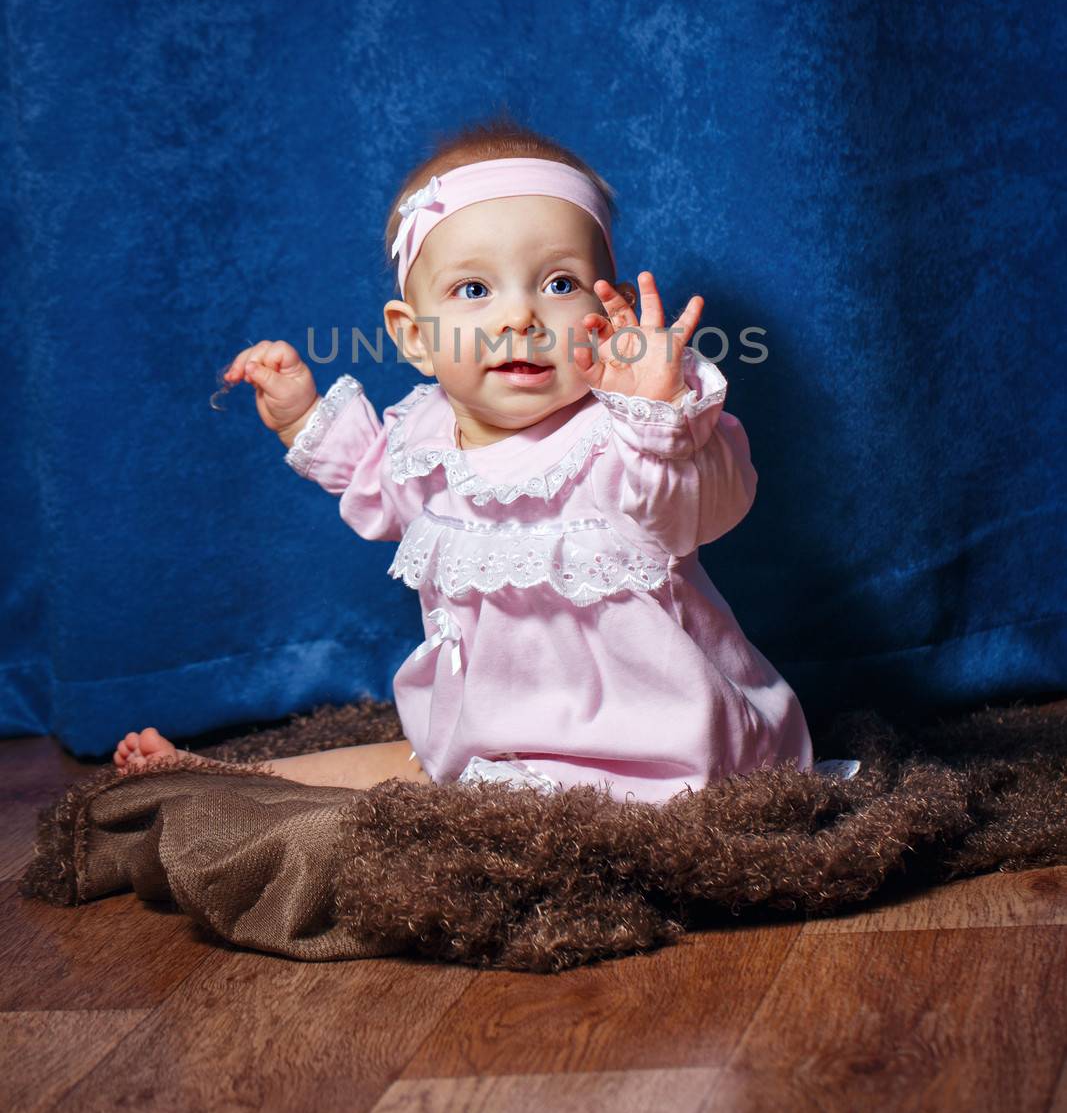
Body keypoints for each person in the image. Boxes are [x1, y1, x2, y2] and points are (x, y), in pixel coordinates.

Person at [114, 119, 821, 803]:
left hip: (655, 741)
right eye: (474, 290)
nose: (520, 317)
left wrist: (661, 420)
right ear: (414, 338)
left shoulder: (625, 434)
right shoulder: (424, 436)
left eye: (559, 284)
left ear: (612, 317)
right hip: (488, 732)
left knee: (474, 809)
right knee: (410, 768)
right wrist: (302, 415)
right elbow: (377, 486)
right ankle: (234, 781)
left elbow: (689, 513)